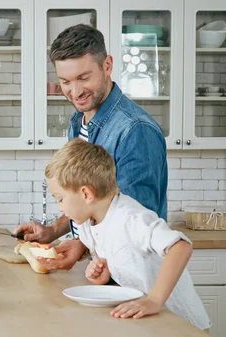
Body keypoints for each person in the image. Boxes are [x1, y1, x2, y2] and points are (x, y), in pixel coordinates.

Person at [14, 24, 168, 271]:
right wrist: (55, 230)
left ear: (107, 65)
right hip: (103, 266)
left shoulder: (135, 130)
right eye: (65, 81)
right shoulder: (79, 121)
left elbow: (137, 220)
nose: (75, 92)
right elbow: (87, 199)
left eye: (83, 78)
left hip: (135, 274)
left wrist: (82, 246)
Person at [46, 139, 210, 329]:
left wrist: (154, 300)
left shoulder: (131, 217)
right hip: (149, 321)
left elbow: (181, 247)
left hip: (181, 323)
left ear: (85, 194)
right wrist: (105, 274)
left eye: (60, 199)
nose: (60, 207)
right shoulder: (88, 223)